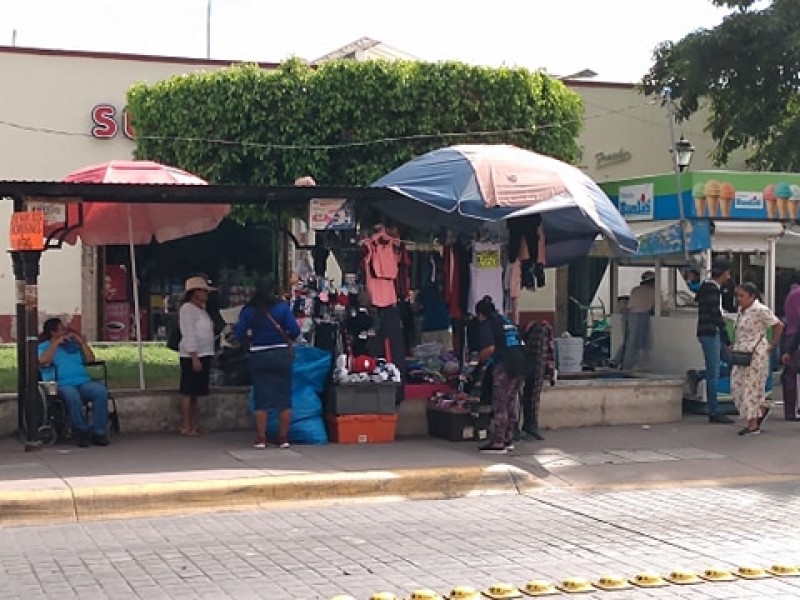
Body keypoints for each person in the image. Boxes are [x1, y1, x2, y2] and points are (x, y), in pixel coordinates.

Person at [234, 278, 300, 449]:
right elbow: (294, 330)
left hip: (259, 355)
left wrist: (251, 338)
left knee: (261, 398)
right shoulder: (282, 308)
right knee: (284, 398)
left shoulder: (249, 310)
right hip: (280, 354)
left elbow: (239, 334)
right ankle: (283, 438)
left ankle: (261, 438)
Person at [38, 318, 110, 447]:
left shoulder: (72, 346)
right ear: (53, 332)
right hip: (62, 383)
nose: (65, 331)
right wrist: (55, 344)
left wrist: (82, 343)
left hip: (82, 381)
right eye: (62, 329)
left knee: (100, 392)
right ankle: (82, 430)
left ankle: (100, 431)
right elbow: (43, 361)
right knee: (73, 397)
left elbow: (90, 360)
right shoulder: (44, 347)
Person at [731, 283, 783, 435]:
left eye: (742, 296)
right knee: (737, 385)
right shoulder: (742, 310)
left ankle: (752, 424)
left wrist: (772, 344)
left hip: (755, 355)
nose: (738, 299)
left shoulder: (760, 310)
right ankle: (760, 409)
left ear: (751, 296)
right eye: (737, 296)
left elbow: (778, 325)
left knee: (751, 387)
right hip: (741, 353)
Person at [474, 297, 524, 454]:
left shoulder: (487, 324)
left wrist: (478, 362)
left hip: (505, 365)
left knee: (500, 403)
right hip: (520, 363)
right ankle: (508, 439)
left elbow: (489, 348)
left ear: (481, 314)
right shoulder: (506, 321)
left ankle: (498, 443)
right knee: (510, 402)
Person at [691, 261, 736, 424]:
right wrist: (727, 338)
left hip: (708, 332)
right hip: (711, 333)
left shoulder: (707, 288)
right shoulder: (712, 290)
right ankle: (714, 411)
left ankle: (698, 375)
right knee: (715, 371)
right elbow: (716, 315)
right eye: (728, 273)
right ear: (723, 274)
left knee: (730, 363)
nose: (729, 277)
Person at [178, 276, 216, 436]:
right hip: (192, 355)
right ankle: (186, 424)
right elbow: (189, 332)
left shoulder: (202, 309)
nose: (206, 294)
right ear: (194, 293)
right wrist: (194, 355)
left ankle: (194, 423)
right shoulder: (187, 309)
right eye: (202, 291)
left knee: (196, 392)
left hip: (204, 352)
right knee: (188, 390)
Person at [519, 319, 555, 441]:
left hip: (528, 367)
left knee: (527, 396)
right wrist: (550, 373)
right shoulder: (543, 331)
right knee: (532, 397)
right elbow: (549, 354)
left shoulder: (532, 332)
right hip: (535, 368)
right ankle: (530, 425)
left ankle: (528, 425)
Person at [621, 270, 656, 370]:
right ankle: (628, 367)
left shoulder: (635, 289)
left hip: (629, 314)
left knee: (628, 342)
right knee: (636, 344)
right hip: (641, 316)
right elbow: (657, 306)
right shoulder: (653, 292)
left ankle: (619, 362)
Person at [780, 273, 800, 421]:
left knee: (789, 374)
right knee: (791, 375)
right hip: (795, 336)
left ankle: (789, 411)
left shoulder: (791, 294)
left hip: (790, 334)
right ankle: (791, 411)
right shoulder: (797, 294)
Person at [413, 283, 452, 349]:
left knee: (429, 356)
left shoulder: (423, 290)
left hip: (428, 327)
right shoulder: (447, 287)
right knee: (446, 356)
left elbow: (415, 309)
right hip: (444, 326)